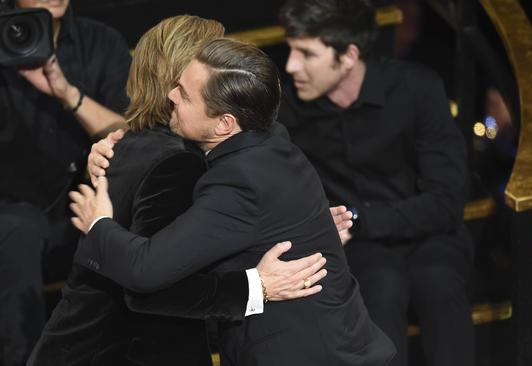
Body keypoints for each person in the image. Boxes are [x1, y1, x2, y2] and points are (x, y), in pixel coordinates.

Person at [28, 15, 332, 366]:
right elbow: (152, 290)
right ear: (181, 79)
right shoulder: (175, 162)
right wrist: (256, 287)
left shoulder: (138, 143)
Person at [70, 38, 396, 366]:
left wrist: (98, 224)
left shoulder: (240, 184)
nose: (170, 95)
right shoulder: (271, 139)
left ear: (225, 122)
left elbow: (144, 270)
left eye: (183, 93)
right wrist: (116, 151)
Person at [0, 0, 130, 364]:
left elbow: (131, 142)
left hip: (57, 217)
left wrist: (66, 92)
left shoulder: (99, 42)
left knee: (121, 222)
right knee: (16, 227)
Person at [276, 1, 475, 365]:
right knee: (381, 284)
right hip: (358, 247)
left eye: (306, 54)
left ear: (348, 56)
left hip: (430, 234)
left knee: (438, 280)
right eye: (291, 51)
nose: (291, 67)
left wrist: (361, 217)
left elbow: (445, 202)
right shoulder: (289, 112)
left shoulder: (416, 88)